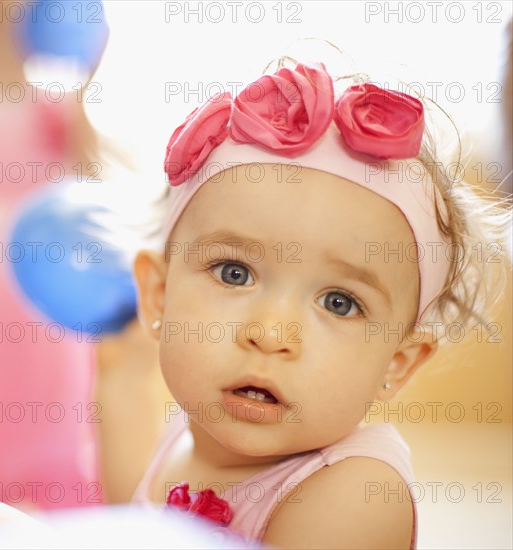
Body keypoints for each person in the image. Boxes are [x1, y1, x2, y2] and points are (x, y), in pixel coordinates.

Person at [128, 58, 511, 549]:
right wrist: (117, 379)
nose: (271, 333)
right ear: (159, 296)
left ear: (396, 361)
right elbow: (124, 520)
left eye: (339, 303)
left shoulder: (354, 496)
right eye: (234, 273)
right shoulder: (182, 436)